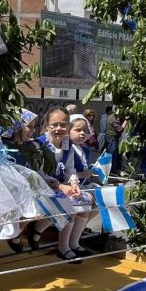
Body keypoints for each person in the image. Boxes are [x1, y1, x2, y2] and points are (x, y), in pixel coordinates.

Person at [38, 106, 94, 261]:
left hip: (60, 185)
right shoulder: (39, 144)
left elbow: (69, 169)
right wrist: (62, 186)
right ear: (47, 125)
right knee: (71, 201)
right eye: (54, 124)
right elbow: (39, 173)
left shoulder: (66, 144)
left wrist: (74, 182)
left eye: (63, 125)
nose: (58, 128)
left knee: (83, 197)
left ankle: (72, 243)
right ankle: (58, 243)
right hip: (43, 186)